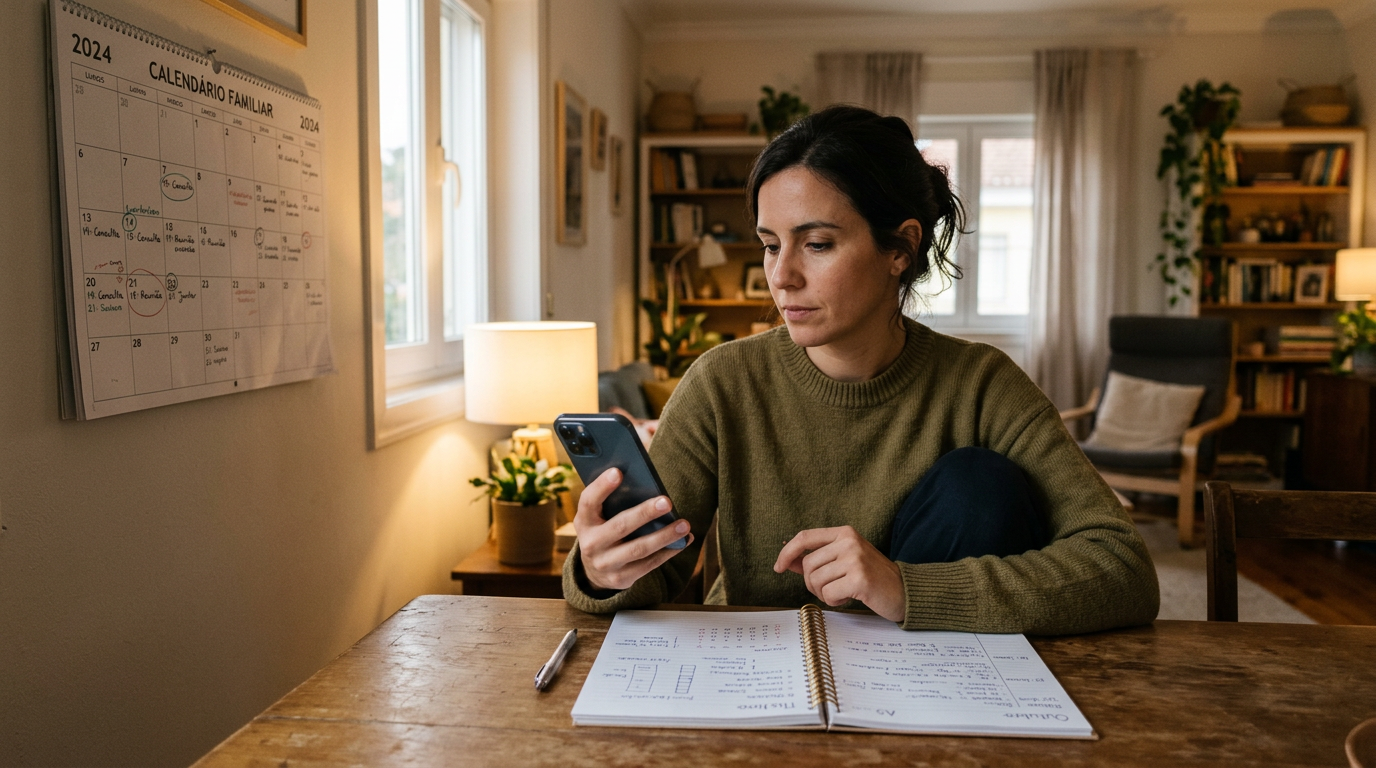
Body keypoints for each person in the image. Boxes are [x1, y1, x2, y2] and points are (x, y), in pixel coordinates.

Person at [563, 105, 1159, 634]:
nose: (782, 276)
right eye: (771, 245)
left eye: (816, 244)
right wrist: (600, 568)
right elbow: (649, 577)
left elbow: (1122, 568)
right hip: (758, 678)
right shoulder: (723, 383)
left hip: (923, 683)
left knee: (978, 483)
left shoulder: (981, 384)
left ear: (899, 249)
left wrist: (906, 589)